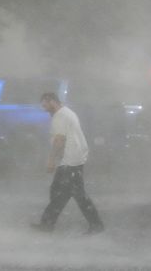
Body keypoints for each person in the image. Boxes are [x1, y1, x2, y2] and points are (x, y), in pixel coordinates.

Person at [30, 92, 104, 234]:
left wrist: (51, 160)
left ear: (51, 101)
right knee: (59, 191)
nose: (44, 108)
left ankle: (96, 226)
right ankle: (47, 223)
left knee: (76, 195)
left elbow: (59, 140)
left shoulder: (60, 116)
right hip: (74, 158)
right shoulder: (67, 112)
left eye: (45, 105)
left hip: (71, 160)